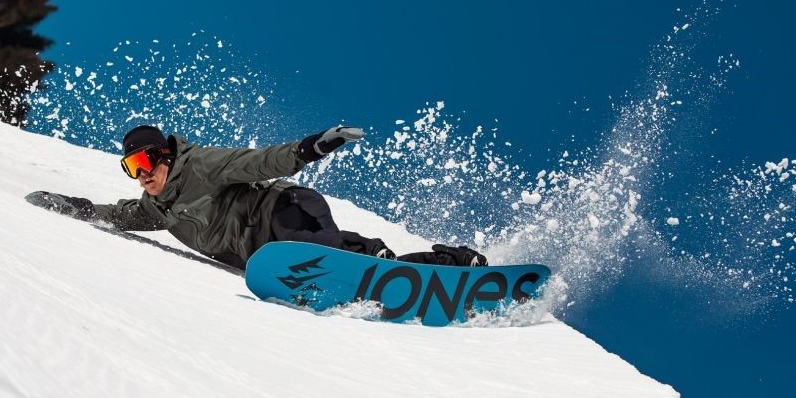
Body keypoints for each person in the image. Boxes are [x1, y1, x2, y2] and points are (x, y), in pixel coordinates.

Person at [28, 125, 488, 270]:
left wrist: (309, 148)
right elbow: (120, 214)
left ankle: (366, 254)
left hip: (286, 210)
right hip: (271, 253)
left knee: (317, 256)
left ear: (164, 154)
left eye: (145, 162)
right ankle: (450, 264)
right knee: (349, 264)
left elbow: (259, 163)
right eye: (131, 168)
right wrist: (74, 206)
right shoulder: (157, 209)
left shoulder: (201, 165)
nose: (141, 175)